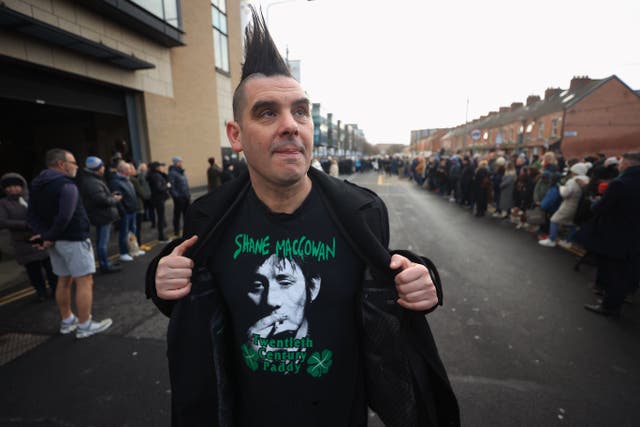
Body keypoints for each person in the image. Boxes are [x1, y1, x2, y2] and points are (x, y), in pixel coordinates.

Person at [145, 8, 458, 427]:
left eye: (301, 111)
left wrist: (423, 279)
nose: (291, 125)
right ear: (235, 135)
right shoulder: (208, 218)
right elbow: (194, 306)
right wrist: (159, 281)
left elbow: (386, 284)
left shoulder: (362, 212)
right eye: (267, 112)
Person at [26, 148, 113, 338]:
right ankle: (85, 325)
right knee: (84, 281)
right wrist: (49, 236)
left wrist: (45, 235)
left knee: (63, 280)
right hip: (74, 239)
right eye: (73, 162)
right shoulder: (67, 186)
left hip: (55, 242)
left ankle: (67, 321)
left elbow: (31, 215)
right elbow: (65, 217)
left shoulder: (36, 185)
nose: (76, 166)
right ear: (61, 164)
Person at [582, 152, 640, 316]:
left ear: (627, 165)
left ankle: (609, 306)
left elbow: (601, 208)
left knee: (613, 272)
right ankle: (619, 299)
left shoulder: (620, 183)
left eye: (621, 163)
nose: (619, 166)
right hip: (634, 235)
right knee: (626, 271)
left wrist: (595, 203)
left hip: (615, 233)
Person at [0, 173, 57, 300]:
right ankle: (41, 292)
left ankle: (55, 289)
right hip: (23, 242)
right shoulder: (3, 203)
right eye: (8, 187)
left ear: (22, 186)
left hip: (41, 237)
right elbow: (2, 221)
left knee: (50, 266)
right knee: (33, 270)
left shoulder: (32, 198)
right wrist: (25, 224)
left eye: (15, 186)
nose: (12, 189)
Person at [77, 156, 122, 274]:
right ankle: (105, 265)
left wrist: (109, 195)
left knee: (101, 241)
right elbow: (101, 200)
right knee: (102, 243)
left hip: (100, 215)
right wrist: (114, 199)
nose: (104, 168)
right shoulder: (92, 182)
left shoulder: (92, 179)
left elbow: (99, 197)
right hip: (102, 216)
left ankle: (105, 262)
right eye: (102, 166)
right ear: (97, 168)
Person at [539, 162, 590, 248]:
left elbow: (565, 194)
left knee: (554, 220)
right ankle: (568, 241)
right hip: (580, 206)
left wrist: (561, 188)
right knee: (572, 223)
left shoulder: (572, 181)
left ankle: (551, 240)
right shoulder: (587, 180)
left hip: (569, 204)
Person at [109, 160, 142, 261]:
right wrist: (123, 212)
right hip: (125, 213)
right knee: (124, 233)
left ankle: (133, 250)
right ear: (123, 170)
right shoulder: (115, 182)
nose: (131, 170)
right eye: (128, 169)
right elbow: (118, 199)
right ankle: (123, 253)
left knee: (132, 232)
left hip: (132, 210)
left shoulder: (127, 179)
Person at [146, 161, 170, 243]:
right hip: (159, 199)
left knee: (160, 217)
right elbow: (159, 188)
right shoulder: (156, 176)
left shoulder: (154, 175)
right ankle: (161, 236)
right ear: (156, 167)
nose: (161, 167)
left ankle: (162, 235)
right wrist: (166, 186)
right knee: (160, 218)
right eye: (160, 166)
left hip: (157, 198)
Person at [168, 156, 191, 237]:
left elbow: (185, 184)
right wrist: (176, 197)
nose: (181, 163)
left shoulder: (181, 172)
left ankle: (187, 230)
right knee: (177, 215)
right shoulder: (172, 173)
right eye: (180, 162)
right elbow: (171, 187)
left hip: (186, 197)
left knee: (187, 214)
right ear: (176, 163)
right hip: (179, 198)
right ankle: (176, 231)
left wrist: (188, 194)